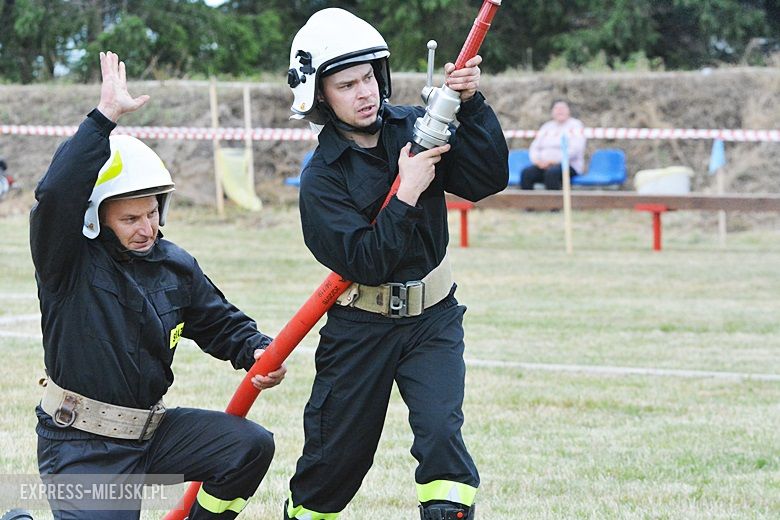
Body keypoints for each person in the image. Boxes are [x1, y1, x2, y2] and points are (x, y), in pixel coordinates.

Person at [29, 51, 286, 520]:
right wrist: (103, 118)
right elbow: (55, 195)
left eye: (151, 212)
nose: (146, 227)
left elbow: (218, 323)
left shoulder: (175, 264)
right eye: (129, 218)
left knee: (248, 447)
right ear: (94, 218)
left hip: (151, 434)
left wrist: (254, 349)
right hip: (80, 447)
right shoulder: (65, 263)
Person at [283, 8, 508, 520]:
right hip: (360, 328)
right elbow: (366, 261)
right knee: (334, 464)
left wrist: (470, 106)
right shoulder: (321, 180)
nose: (363, 93)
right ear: (320, 95)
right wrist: (406, 191)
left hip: (433, 319)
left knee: (441, 440)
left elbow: (486, 180)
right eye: (346, 85)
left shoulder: (416, 127)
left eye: (368, 78)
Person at [520, 100, 586, 190]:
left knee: (552, 173)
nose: (560, 111)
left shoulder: (576, 126)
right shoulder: (547, 126)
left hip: (568, 165)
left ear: (569, 110)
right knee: (527, 173)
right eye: (556, 108)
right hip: (543, 165)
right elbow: (534, 147)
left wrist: (552, 161)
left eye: (562, 108)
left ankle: (554, 204)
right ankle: (528, 203)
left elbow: (575, 149)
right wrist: (537, 161)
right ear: (552, 111)